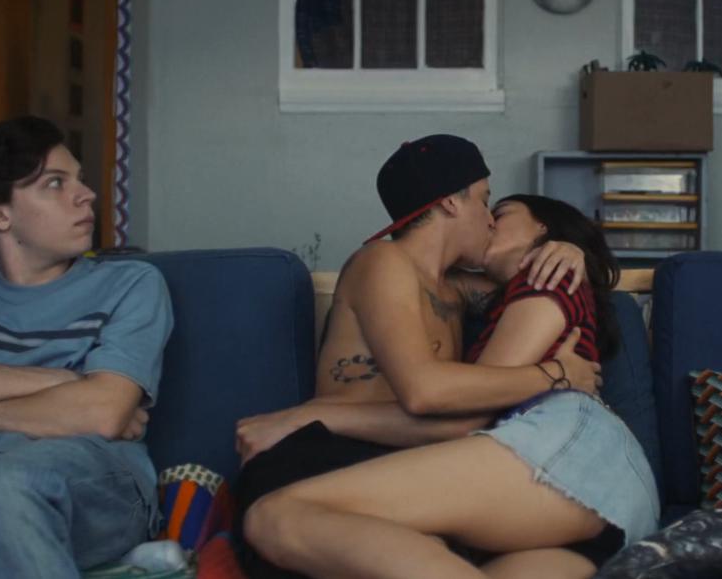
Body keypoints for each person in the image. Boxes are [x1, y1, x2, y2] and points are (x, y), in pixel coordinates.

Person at [232, 135, 607, 577]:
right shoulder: (383, 261)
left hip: (405, 463)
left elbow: (530, 284)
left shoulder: (458, 288)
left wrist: (567, 246)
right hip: (324, 458)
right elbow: (424, 393)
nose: (490, 220)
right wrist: (558, 374)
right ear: (450, 202)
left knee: (557, 560)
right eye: (485, 201)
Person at [0, 116, 173, 577]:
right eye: (55, 183)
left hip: (87, 488)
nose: (87, 195)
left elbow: (101, 413)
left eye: (79, 179)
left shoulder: (131, 284)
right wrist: (61, 382)